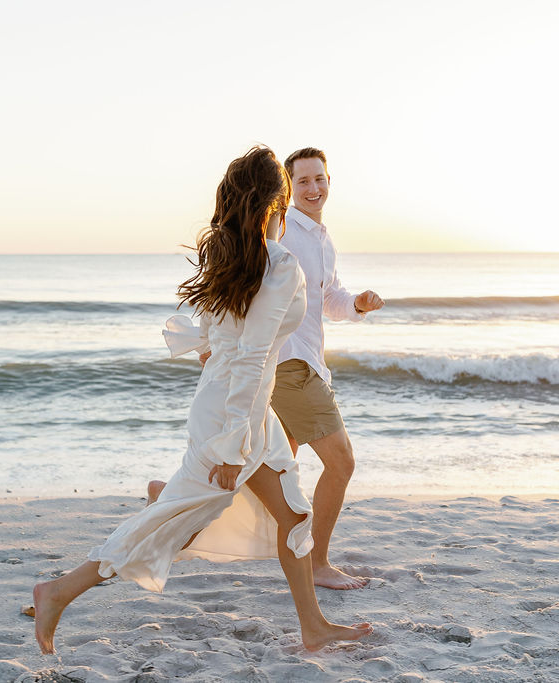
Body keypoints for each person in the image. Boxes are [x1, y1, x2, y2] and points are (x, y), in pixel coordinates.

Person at [32, 147, 373, 655]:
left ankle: (314, 628)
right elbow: (256, 358)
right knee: (172, 521)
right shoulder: (280, 266)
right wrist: (235, 447)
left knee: (296, 515)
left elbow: (215, 341)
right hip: (236, 418)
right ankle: (58, 591)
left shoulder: (234, 256)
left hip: (237, 408)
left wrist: (238, 412)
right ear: (276, 199)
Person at [271, 147, 384, 590]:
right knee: (341, 463)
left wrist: (356, 303)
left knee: (272, 469)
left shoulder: (321, 237)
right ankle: (318, 565)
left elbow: (328, 299)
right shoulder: (282, 230)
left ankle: (175, 500)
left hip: (305, 362)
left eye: (319, 179)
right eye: (302, 181)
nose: (313, 188)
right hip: (292, 364)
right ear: (289, 187)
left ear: (329, 181)